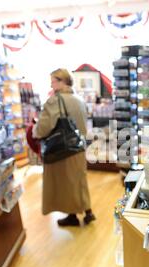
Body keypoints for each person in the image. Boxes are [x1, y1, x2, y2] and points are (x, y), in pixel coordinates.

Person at [32, 68, 95, 226]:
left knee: (66, 185)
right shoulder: (78, 99)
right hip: (78, 147)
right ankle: (87, 212)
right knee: (79, 181)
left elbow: (43, 127)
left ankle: (73, 216)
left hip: (62, 149)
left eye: (53, 80)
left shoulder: (54, 101)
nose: (51, 84)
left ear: (62, 81)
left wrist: (34, 131)